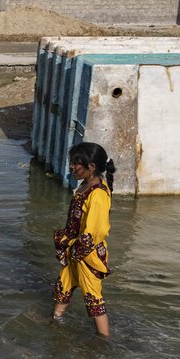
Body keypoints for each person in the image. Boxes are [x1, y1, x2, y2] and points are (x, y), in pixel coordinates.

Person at [52, 142, 115, 337]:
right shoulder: (87, 185)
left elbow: (97, 231)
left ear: (92, 167)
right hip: (74, 249)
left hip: (86, 254)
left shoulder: (97, 194)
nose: (71, 166)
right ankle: (55, 320)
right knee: (64, 285)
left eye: (76, 163)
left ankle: (104, 340)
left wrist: (77, 250)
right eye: (72, 162)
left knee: (94, 298)